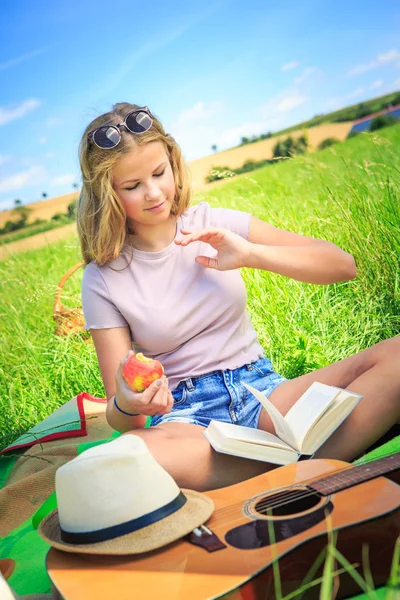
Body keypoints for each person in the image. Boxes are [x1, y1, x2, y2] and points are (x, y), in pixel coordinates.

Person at [78, 103, 400, 492]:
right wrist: (133, 402)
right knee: (123, 458)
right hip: (186, 421)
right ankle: (304, 459)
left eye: (160, 173)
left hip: (263, 394)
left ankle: (270, 466)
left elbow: (342, 265)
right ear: (106, 195)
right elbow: (120, 416)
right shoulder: (102, 278)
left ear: (172, 161)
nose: (154, 193)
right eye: (132, 187)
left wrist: (251, 255)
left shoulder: (215, 222)